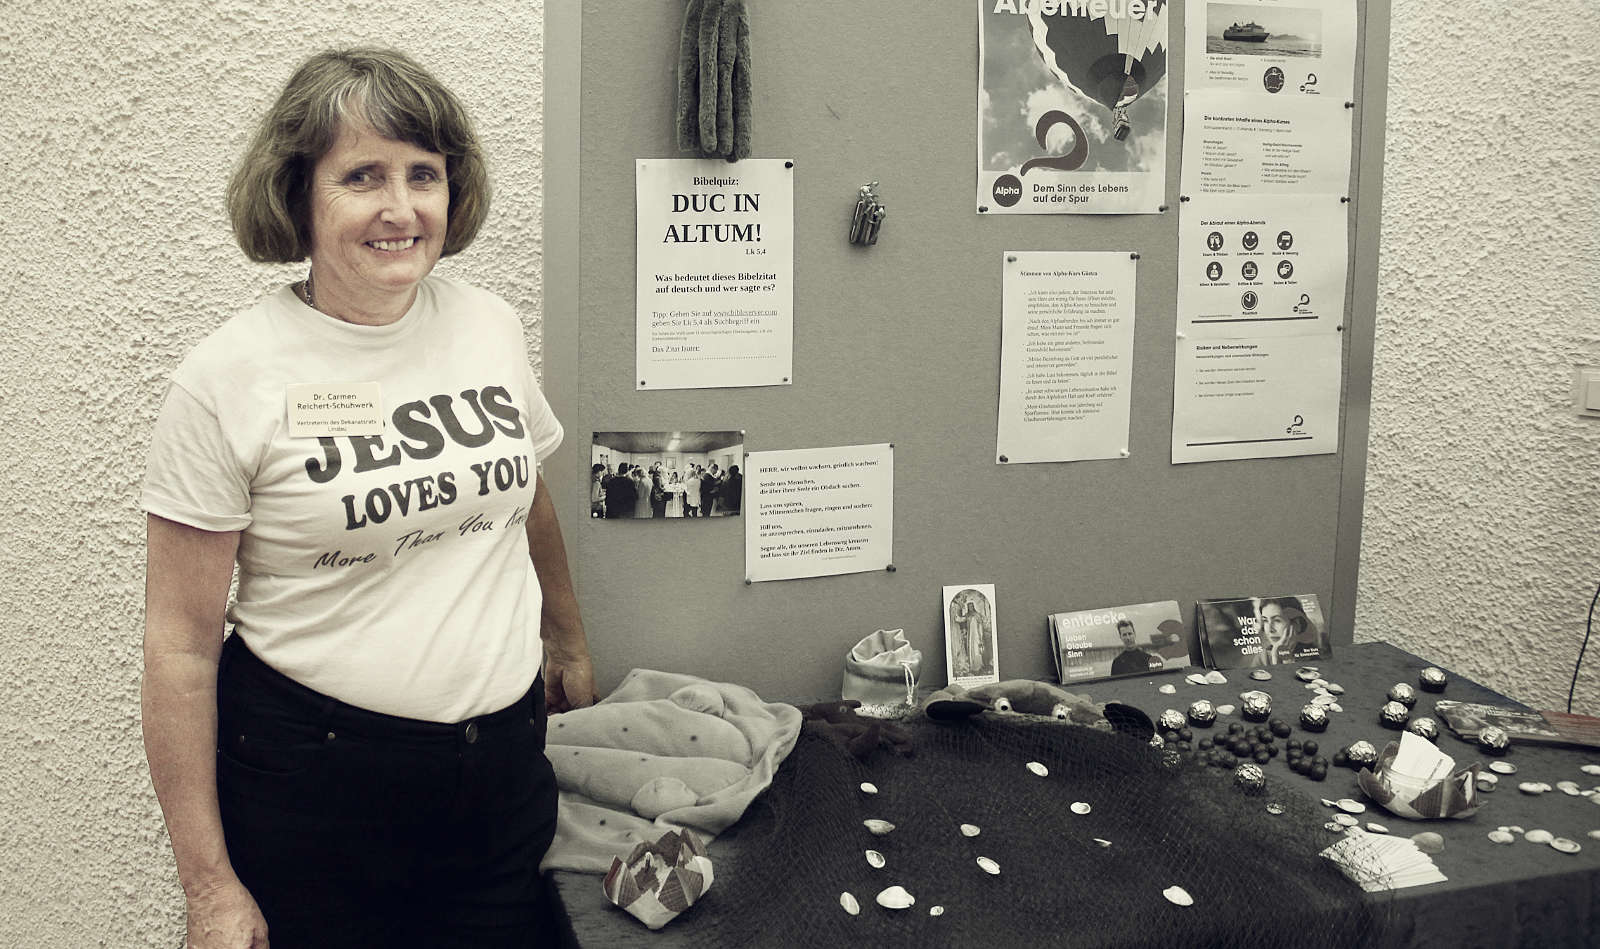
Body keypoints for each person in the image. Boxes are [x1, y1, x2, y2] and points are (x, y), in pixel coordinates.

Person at [140, 48, 597, 949]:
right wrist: (211, 889)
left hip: (500, 779)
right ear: (297, 195)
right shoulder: (226, 379)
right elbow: (179, 649)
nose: (401, 208)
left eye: (423, 174)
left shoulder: (488, 325)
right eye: (362, 177)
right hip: (317, 796)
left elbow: (525, 493)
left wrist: (568, 637)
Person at [1258, 596, 1320, 665]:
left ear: (1297, 624)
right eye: (1265, 620)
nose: (1270, 630)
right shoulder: (1262, 658)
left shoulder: (1313, 656)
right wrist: (1276, 656)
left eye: (1277, 620)